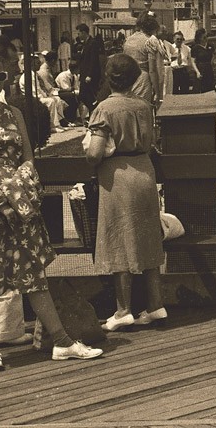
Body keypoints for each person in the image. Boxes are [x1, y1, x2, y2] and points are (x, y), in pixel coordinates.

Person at [0, 43, 102, 369]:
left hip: (19, 204)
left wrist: (19, 188)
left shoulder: (14, 114)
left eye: (1, 76)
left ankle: (62, 341)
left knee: (33, 273)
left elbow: (27, 157)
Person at [86, 54, 167, 331]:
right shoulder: (144, 106)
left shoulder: (104, 109)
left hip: (118, 176)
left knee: (120, 239)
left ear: (108, 78)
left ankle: (123, 310)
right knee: (148, 238)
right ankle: (156, 305)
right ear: (134, 78)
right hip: (144, 172)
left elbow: (95, 152)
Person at [121, 14, 165, 104]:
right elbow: (152, 70)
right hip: (142, 79)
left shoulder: (128, 40)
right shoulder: (150, 41)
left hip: (128, 78)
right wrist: (157, 92)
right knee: (144, 106)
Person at [75, 22, 106, 114]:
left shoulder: (92, 43)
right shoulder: (85, 43)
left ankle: (95, 110)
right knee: (83, 96)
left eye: (79, 33)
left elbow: (93, 60)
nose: (78, 35)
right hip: (84, 74)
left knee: (88, 95)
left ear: (84, 32)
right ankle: (94, 111)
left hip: (90, 76)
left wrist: (89, 75)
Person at [190, 28, 215, 93]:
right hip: (200, 69)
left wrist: (213, 63)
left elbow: (215, 55)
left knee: (210, 88)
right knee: (200, 88)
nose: (206, 39)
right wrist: (197, 72)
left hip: (209, 68)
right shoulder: (195, 48)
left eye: (206, 36)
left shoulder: (210, 46)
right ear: (199, 38)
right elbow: (193, 61)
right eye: (204, 37)